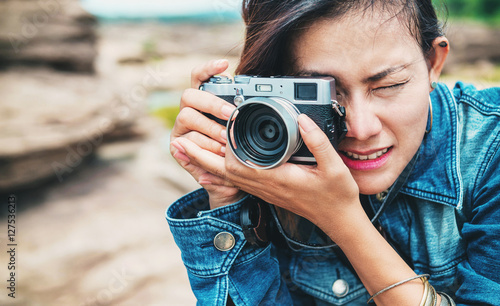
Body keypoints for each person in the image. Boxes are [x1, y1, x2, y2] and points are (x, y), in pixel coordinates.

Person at [167, 0, 500, 305]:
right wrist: (228, 197)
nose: (360, 128)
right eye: (323, 96)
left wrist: (340, 219)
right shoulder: (273, 158)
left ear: (433, 63)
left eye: (388, 85)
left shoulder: (490, 143)